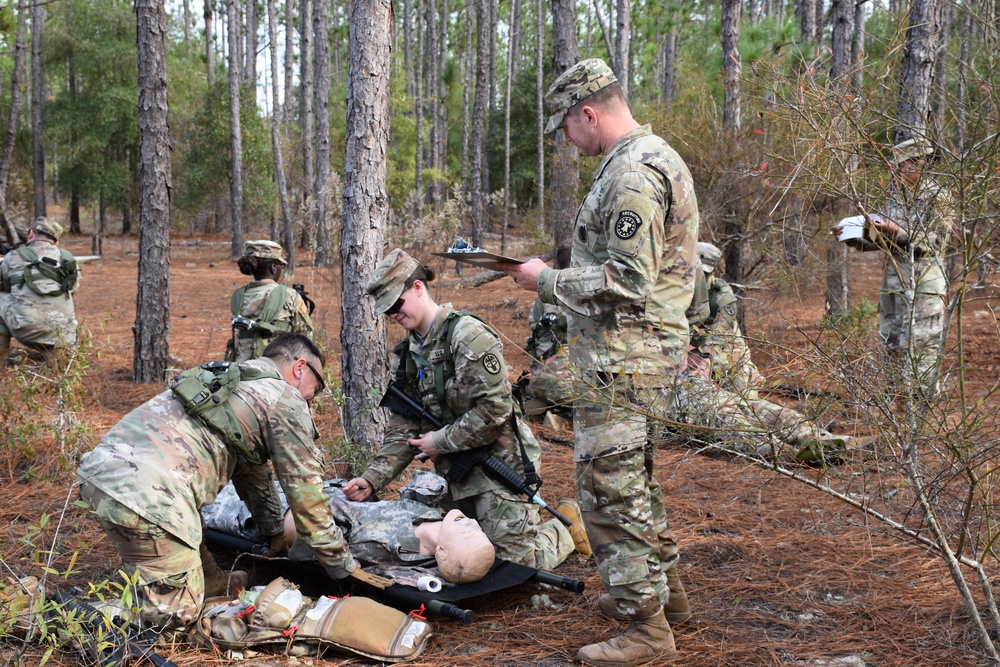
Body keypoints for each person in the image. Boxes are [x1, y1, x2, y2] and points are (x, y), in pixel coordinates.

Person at [502, 58, 694, 666]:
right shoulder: (643, 159)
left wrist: (547, 280)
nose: (565, 137)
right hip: (631, 358)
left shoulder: (634, 173)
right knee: (633, 487)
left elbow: (630, 279)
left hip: (625, 364)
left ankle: (647, 632)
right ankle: (664, 600)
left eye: (566, 125)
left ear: (590, 113)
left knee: (608, 495)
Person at [76, 334, 387, 635]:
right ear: (299, 368)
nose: (312, 400)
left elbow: (253, 476)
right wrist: (342, 566)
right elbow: (307, 497)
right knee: (175, 613)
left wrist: (275, 534)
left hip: (105, 473)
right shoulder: (284, 397)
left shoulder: (233, 380)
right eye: (315, 389)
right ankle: (54, 614)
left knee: (212, 583)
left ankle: (168, 580)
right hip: (151, 497)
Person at [343, 249, 591, 573]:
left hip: (500, 468)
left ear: (418, 287)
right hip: (454, 475)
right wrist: (372, 478)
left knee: (512, 570)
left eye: (396, 304)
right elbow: (403, 426)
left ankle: (563, 527)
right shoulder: (406, 355)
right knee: (456, 563)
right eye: (386, 310)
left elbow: (495, 410)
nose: (392, 315)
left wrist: (439, 442)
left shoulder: (467, 336)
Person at [834, 138, 952, 400]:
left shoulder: (938, 196)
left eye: (901, 166)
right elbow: (886, 243)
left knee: (921, 345)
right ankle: (895, 403)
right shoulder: (895, 197)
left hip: (923, 285)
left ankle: (922, 409)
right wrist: (853, 236)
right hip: (893, 284)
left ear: (918, 164)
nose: (896, 172)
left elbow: (934, 242)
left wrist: (896, 231)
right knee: (890, 343)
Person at [0, 217, 80, 362]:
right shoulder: (68, 258)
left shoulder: (12, 256)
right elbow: (72, 290)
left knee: (2, 298)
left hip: (26, 330)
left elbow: (3, 286)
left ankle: (1, 359)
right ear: (56, 242)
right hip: (64, 334)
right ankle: (55, 358)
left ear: (31, 234)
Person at [227, 240, 313, 362]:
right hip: (276, 369)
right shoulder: (289, 295)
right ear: (273, 268)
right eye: (280, 266)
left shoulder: (239, 295)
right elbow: (306, 337)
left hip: (242, 368)